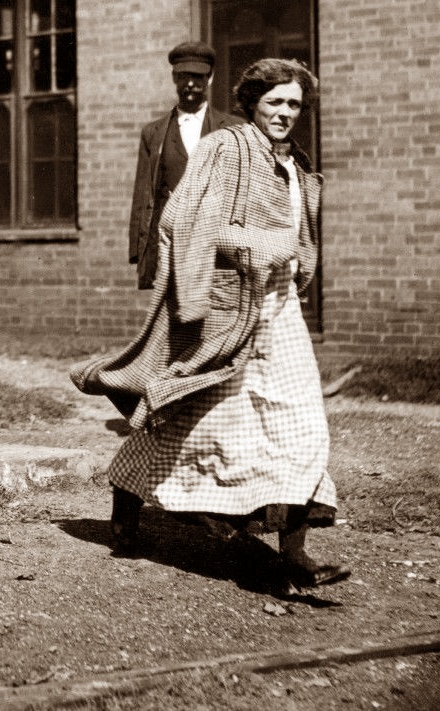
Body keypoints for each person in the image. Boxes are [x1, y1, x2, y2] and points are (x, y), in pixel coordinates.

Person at [73, 58, 345, 592]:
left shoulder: (293, 163)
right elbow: (184, 220)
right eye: (275, 102)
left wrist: (298, 260)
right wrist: (261, 246)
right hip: (225, 309)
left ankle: (296, 554)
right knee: (196, 419)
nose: (285, 113)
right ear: (252, 103)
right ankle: (126, 495)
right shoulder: (226, 147)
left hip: (280, 308)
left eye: (294, 104)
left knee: (302, 422)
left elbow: (299, 233)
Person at [130, 41, 244, 290]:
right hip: (169, 243)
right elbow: (143, 194)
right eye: (183, 76)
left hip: (218, 243)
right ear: (173, 78)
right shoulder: (154, 133)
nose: (190, 83)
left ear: (210, 78)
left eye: (198, 77)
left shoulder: (234, 128)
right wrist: (139, 251)